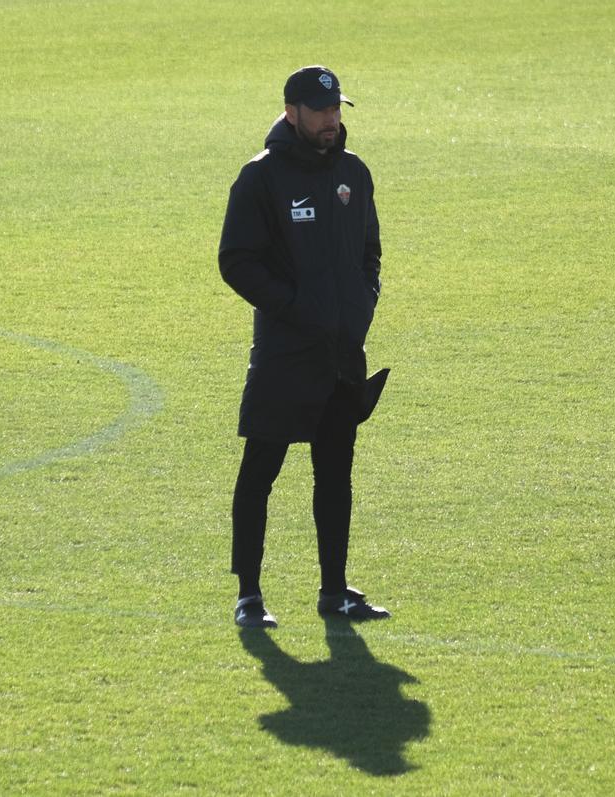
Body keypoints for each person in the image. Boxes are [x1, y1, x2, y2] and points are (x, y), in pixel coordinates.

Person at [219, 65, 391, 629]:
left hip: (341, 353)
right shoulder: (260, 179)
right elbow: (236, 261)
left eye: (336, 109)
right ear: (291, 112)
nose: (330, 120)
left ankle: (335, 591)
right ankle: (248, 594)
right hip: (285, 354)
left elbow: (370, 250)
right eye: (320, 111)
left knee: (336, 473)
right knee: (261, 469)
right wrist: (295, 309)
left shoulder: (353, 172)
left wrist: (362, 304)